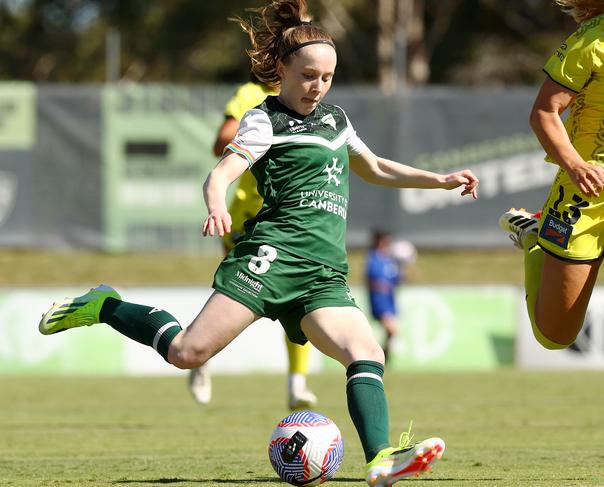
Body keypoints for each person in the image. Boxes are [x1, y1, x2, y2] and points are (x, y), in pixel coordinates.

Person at [39, 0, 479, 484]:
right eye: (309, 75)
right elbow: (221, 173)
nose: (319, 86)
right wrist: (217, 204)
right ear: (283, 69)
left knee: (366, 353)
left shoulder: (335, 120)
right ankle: (105, 305)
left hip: (321, 273)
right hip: (271, 260)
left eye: (328, 77)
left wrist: (439, 180)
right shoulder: (263, 119)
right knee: (187, 352)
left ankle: (380, 461)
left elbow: (374, 167)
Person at [499, 0, 604, 480]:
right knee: (554, 335)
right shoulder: (594, 38)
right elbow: (544, 112)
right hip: (581, 196)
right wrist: (575, 164)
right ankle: (534, 242)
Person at [188, 77, 318, 410]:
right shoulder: (254, 95)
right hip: (249, 218)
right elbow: (221, 143)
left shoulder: (313, 104)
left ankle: (296, 384)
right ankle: (197, 353)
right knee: (236, 298)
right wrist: (265, 128)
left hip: (289, 220)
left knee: (297, 297)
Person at [365, 229, 402, 364]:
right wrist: (382, 286)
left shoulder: (388, 259)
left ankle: (381, 359)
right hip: (379, 301)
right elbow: (371, 280)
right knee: (392, 330)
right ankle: (380, 358)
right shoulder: (373, 258)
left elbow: (395, 279)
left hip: (390, 300)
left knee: (392, 332)